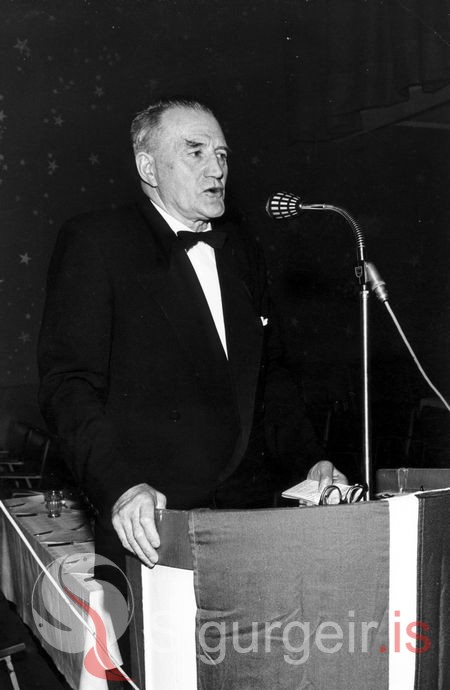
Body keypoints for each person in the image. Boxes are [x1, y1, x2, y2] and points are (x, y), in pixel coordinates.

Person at [38, 98, 346, 574]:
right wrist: (120, 487)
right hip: (152, 524)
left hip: (250, 519)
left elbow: (271, 378)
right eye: (196, 151)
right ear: (148, 168)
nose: (216, 168)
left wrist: (311, 461)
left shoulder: (244, 250)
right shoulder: (97, 241)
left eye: (221, 155)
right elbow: (69, 386)